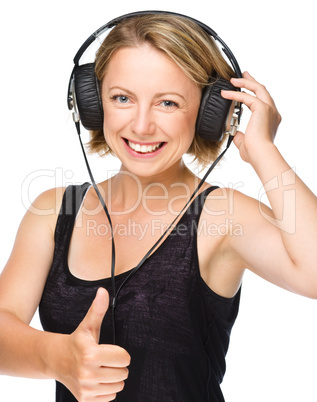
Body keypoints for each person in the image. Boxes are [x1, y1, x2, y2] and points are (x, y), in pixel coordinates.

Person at [0, 10, 316, 402]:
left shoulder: (222, 217)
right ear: (92, 103)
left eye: (168, 103)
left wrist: (265, 151)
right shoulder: (55, 211)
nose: (142, 125)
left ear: (208, 114)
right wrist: (56, 357)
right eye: (122, 98)